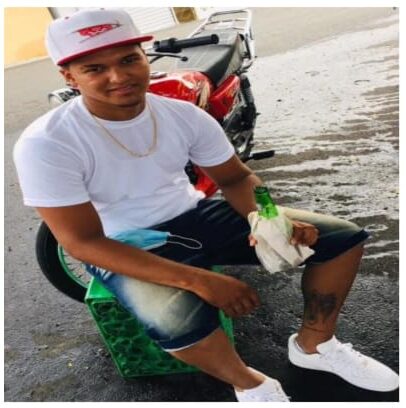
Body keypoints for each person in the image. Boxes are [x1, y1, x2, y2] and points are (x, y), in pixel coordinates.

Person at [13, 8, 398, 402]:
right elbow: (83, 242)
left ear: (145, 57)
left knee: (342, 240)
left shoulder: (181, 114)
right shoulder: (47, 143)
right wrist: (199, 280)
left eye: (129, 59)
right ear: (69, 76)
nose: (119, 76)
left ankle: (314, 346)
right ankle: (250, 383)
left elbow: (234, 178)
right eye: (95, 68)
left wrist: (268, 218)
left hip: (194, 216)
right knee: (175, 320)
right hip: (120, 242)